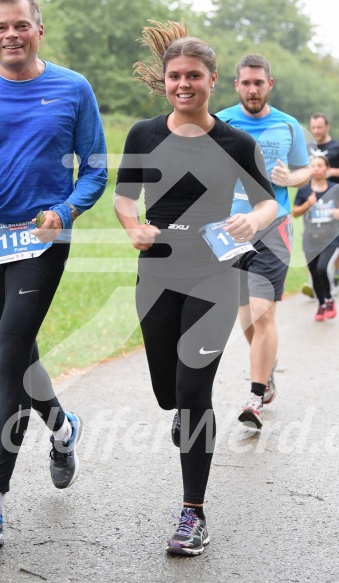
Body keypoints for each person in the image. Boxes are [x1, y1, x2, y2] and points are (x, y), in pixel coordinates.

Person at [114, 22, 277, 556]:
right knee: (169, 393)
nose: (184, 84)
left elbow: (267, 201)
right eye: (175, 76)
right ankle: (187, 421)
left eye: (194, 76)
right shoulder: (143, 134)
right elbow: (124, 197)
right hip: (157, 273)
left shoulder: (236, 140)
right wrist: (132, 225)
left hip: (215, 273)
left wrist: (253, 221)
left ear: (212, 80)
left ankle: (193, 513)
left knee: (192, 394)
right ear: (165, 81)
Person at [0, 0, 107, 549]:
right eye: (1, 27)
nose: (11, 34)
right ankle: (62, 429)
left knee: (6, 354)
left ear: (39, 30)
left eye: (21, 25)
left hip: (41, 238)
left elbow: (95, 170)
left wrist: (63, 212)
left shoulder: (73, 88)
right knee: (18, 351)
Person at [217, 54, 310, 429]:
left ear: (269, 84)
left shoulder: (288, 126)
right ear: (236, 85)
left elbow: (305, 169)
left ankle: (254, 396)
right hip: (230, 228)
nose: (252, 89)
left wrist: (291, 178)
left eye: (259, 82)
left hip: (274, 227)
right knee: (245, 315)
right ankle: (267, 370)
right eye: (246, 83)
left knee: (262, 311)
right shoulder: (220, 122)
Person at [302, 113, 339, 297]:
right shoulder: (309, 147)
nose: (316, 131)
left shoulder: (338, 146)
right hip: (313, 199)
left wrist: (330, 170)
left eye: (319, 127)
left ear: (327, 127)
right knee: (310, 236)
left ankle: (336, 273)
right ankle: (313, 280)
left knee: (332, 238)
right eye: (313, 127)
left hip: (334, 199)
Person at [293, 155, 339, 321]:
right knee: (314, 273)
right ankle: (321, 304)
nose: (317, 168)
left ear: (326, 169)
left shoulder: (334, 188)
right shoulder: (304, 190)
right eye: (313, 165)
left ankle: (330, 300)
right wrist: (307, 204)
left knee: (322, 268)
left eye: (320, 165)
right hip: (310, 239)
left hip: (330, 238)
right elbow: (295, 212)